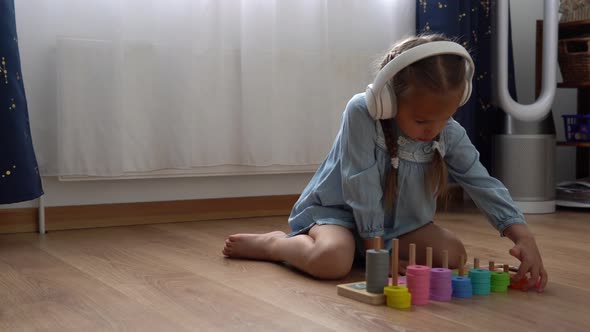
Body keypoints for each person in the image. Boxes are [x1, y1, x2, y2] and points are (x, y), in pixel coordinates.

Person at [222, 34, 547, 292]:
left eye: (445, 117)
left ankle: (363, 252)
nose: (433, 129)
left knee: (452, 255)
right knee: (331, 262)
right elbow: (360, 187)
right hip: (340, 216)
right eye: (421, 120)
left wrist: (523, 237)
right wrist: (379, 257)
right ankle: (277, 245)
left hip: (399, 226)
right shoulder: (363, 112)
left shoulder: (446, 130)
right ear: (388, 99)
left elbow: (481, 181)